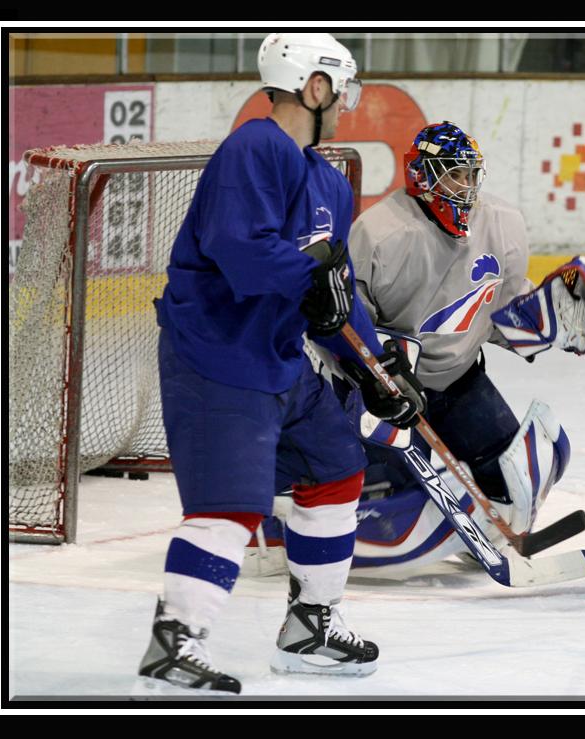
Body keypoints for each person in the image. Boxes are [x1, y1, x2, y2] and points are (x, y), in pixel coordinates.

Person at [138, 32, 424, 693]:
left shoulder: (328, 181)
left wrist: (377, 368)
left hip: (276, 359)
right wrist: (311, 274)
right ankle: (171, 648)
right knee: (229, 505)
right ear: (314, 87)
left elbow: (335, 292)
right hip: (216, 353)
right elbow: (241, 253)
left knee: (336, 461)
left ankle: (309, 626)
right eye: (342, 89)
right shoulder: (253, 148)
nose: (348, 104)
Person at [298, 121, 585, 575]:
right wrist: (378, 375)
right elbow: (341, 320)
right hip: (386, 395)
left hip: (460, 380)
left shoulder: (502, 225)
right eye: (453, 174)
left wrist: (554, 318)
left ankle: (472, 530)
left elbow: (500, 315)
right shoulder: (379, 234)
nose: (466, 187)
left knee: (514, 480)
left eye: (470, 175)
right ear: (422, 175)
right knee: (382, 496)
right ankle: (292, 522)